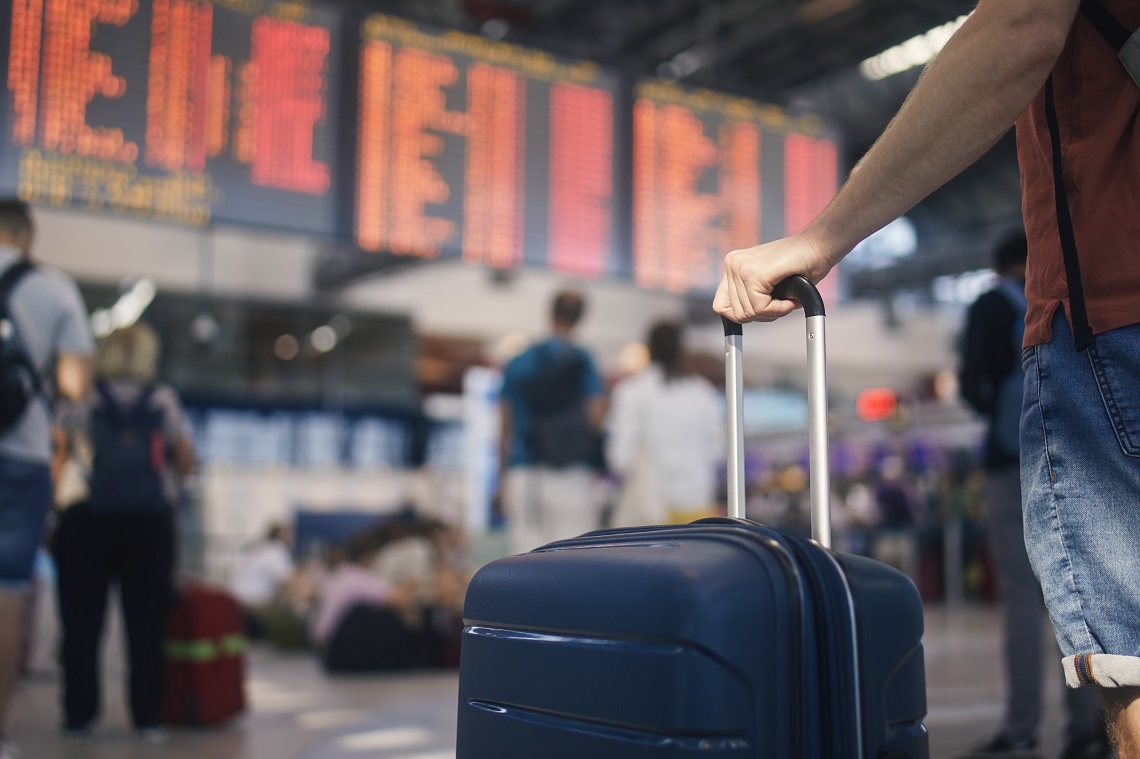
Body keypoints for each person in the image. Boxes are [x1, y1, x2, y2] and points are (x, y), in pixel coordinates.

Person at [713, 1, 1140, 753]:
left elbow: (1021, 26)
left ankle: (1027, 724)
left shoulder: (992, 306)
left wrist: (822, 238)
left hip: (1113, 308)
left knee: (1127, 665)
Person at [960, 232, 1106, 756]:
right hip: (1076, 461)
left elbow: (970, 384)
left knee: (1022, 600)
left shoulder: (991, 306)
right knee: (1085, 597)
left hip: (1011, 463)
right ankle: (1091, 731)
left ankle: (1021, 730)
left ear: (1000, 265)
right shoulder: (1068, 297)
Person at [52, 322, 196, 741]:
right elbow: (185, 462)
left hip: (86, 519)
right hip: (149, 523)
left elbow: (58, 457)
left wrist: (50, 514)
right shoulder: (164, 400)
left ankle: (78, 716)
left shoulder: (84, 398)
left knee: (80, 623)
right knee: (147, 625)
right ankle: (147, 718)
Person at [0, 199, 93, 759]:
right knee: (8, 595)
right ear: (28, 235)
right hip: (23, 460)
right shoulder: (55, 289)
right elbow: (76, 389)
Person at [498, 290, 605, 554]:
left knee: (523, 560)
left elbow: (504, 427)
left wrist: (502, 477)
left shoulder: (518, 362)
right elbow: (594, 417)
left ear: (550, 313)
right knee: (570, 562)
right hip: (572, 474)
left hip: (525, 470)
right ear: (580, 319)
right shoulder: (583, 361)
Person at [606, 321, 723, 526]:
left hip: (649, 503)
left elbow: (619, 457)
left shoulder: (631, 391)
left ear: (649, 349)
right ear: (681, 349)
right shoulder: (703, 392)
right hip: (696, 500)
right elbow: (717, 450)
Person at [231, 523, 295, 637]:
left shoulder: (261, 548)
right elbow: (287, 582)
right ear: (282, 535)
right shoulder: (277, 551)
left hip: (237, 601)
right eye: (289, 534)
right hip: (254, 605)